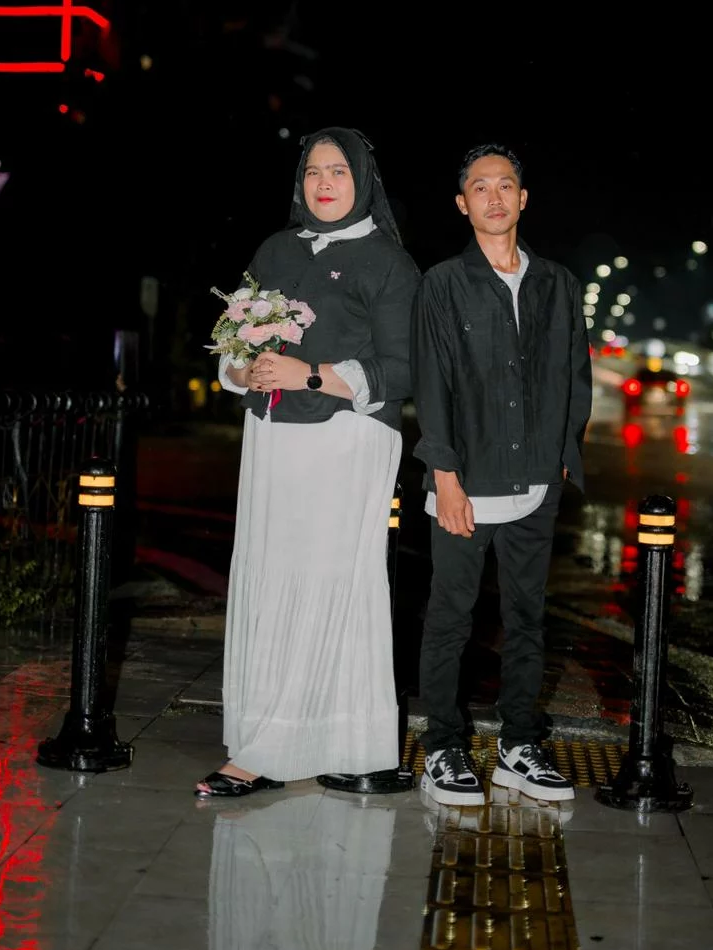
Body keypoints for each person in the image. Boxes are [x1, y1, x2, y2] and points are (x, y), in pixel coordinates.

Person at [195, 126, 421, 797]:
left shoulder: (388, 261)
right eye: (314, 171)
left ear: (363, 181)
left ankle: (298, 750)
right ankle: (286, 739)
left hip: (346, 438)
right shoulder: (275, 249)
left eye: (339, 171)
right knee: (270, 580)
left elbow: (404, 369)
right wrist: (244, 370)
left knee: (331, 584)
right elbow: (230, 339)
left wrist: (311, 374)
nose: (324, 183)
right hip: (272, 435)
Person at [411, 141, 593, 806]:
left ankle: (519, 745)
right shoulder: (442, 283)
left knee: (527, 619)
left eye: (505, 185)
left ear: (523, 198)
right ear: (463, 204)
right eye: (480, 187)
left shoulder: (558, 283)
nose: (494, 196)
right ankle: (444, 747)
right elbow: (432, 385)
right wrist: (446, 477)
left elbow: (574, 375)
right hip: (465, 482)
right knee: (450, 619)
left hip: (536, 482)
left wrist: (562, 454)